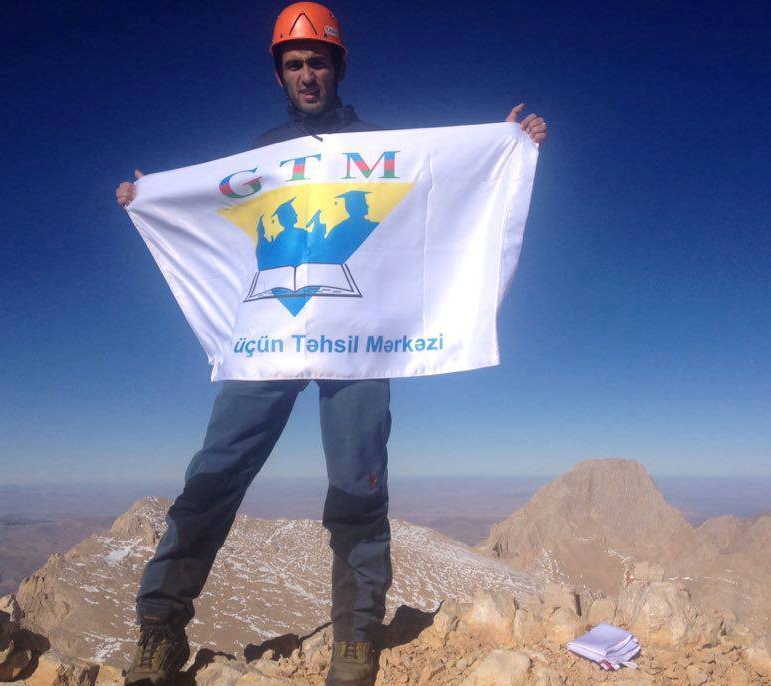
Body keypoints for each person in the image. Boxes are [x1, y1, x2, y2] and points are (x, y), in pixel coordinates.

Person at [115, 4, 546, 686]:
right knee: (214, 477)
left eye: (318, 60)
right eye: (294, 63)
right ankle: (159, 630)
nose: (307, 73)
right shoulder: (265, 152)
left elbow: (441, 192)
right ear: (280, 75)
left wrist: (511, 146)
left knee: (358, 483)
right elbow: (219, 218)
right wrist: (152, 199)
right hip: (273, 336)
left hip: (357, 338)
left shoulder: (383, 146)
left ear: (338, 67)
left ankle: (354, 637)